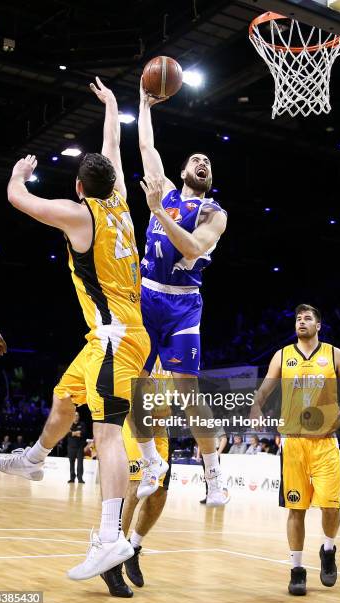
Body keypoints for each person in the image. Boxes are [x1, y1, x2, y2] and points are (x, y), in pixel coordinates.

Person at [0, 77, 150, 582]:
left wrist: (19, 175)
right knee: (64, 399)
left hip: (115, 339)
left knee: (106, 435)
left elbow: (20, 199)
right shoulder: (121, 205)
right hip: (113, 336)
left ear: (80, 189)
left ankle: (110, 538)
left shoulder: (81, 217)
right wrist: (111, 107)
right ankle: (35, 458)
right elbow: (112, 151)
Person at [132, 79, 228, 506]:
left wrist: (155, 213)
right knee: (136, 384)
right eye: (196, 158)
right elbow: (148, 149)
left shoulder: (213, 212)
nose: (202, 161)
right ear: (185, 170)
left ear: (210, 177)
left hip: (183, 305)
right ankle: (152, 461)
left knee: (188, 394)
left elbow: (192, 247)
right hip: (146, 295)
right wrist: (143, 104)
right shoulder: (167, 191)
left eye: (208, 161)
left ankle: (215, 478)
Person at [251, 303, 340, 596]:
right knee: (296, 509)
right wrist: (256, 404)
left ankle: (328, 549)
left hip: (325, 442)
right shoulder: (282, 356)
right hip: (293, 443)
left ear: (319, 326)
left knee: (330, 505)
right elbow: (264, 389)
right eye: (299, 318)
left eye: (308, 318)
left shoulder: (333, 354)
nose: (302, 322)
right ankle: (297, 569)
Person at [101, 357, 172, 598]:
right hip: (135, 426)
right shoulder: (142, 346)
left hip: (161, 430)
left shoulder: (178, 350)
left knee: (160, 494)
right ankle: (113, 562)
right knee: (134, 488)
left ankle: (133, 547)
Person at [67, 412, 86, 483]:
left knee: (80, 463)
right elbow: (66, 433)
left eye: (77, 415)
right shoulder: (69, 424)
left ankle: (80, 478)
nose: (76, 416)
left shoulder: (82, 424)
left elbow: (84, 433)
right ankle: (72, 478)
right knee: (72, 463)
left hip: (80, 448)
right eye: (74, 415)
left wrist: (72, 433)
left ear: (79, 416)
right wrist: (76, 433)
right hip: (71, 447)